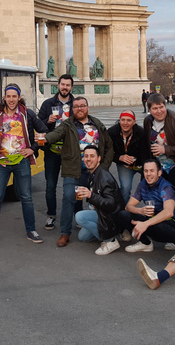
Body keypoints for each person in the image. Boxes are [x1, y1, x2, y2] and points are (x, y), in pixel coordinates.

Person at [0, 84, 48, 246]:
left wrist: (32, 149)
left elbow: (44, 131)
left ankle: (31, 231)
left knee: (27, 198)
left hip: (21, 162)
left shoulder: (27, 114)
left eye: (14, 96)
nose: (11, 99)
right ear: (4, 97)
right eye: (8, 96)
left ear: (18, 97)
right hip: (1, 163)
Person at [45, 96, 113, 247]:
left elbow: (109, 146)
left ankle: (106, 227)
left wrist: (104, 167)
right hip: (73, 169)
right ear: (72, 109)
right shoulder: (67, 124)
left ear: (87, 107)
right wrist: (45, 139)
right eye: (76, 106)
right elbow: (56, 134)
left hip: (95, 171)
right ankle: (65, 233)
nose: (79, 108)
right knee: (69, 197)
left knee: (99, 198)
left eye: (82, 106)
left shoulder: (97, 124)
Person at [142, 92, 175, 233]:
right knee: (161, 193)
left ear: (165, 106)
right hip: (159, 165)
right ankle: (164, 221)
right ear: (149, 110)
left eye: (161, 107)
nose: (159, 111)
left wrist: (165, 149)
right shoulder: (148, 121)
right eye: (155, 108)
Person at [114, 159, 175, 253]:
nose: (148, 174)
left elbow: (168, 212)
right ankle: (145, 243)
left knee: (160, 225)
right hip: (154, 223)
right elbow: (128, 206)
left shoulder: (166, 187)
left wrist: (145, 224)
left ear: (159, 173)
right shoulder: (143, 184)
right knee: (123, 215)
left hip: (174, 225)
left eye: (152, 171)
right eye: (146, 171)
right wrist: (140, 211)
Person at [37, 74, 75, 230]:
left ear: (71, 87)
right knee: (50, 186)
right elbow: (38, 125)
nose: (65, 87)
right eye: (63, 84)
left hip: (70, 152)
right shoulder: (48, 104)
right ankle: (51, 215)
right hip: (52, 151)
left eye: (68, 85)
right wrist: (48, 121)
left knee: (72, 187)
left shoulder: (77, 104)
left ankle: (75, 215)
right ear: (58, 85)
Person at [74, 145, 126, 255]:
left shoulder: (104, 177)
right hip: (101, 212)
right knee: (82, 237)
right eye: (86, 156)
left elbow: (111, 204)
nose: (88, 159)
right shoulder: (93, 173)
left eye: (92, 156)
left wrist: (90, 196)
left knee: (80, 216)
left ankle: (110, 241)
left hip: (110, 216)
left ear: (99, 158)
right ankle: (108, 234)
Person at [107, 110, 148, 203]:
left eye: (129, 120)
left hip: (141, 163)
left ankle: (150, 211)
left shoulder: (141, 133)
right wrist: (119, 158)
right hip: (124, 164)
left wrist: (140, 164)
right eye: (123, 120)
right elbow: (106, 152)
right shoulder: (112, 132)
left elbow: (146, 154)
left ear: (134, 121)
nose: (125, 123)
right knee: (125, 188)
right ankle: (124, 212)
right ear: (119, 120)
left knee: (147, 187)